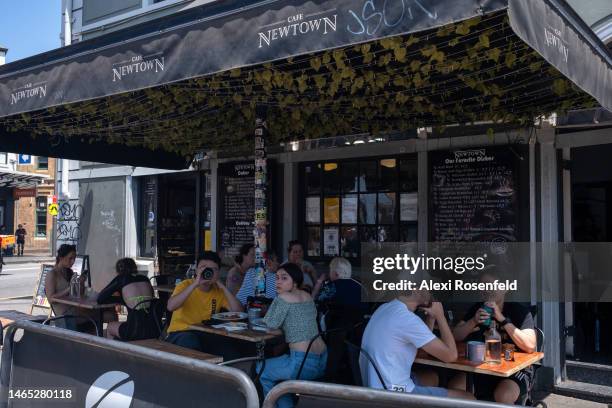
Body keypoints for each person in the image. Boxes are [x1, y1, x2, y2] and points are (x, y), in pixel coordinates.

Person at [360, 290, 474, 399]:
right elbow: (451, 356)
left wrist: (431, 318)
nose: (432, 292)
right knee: (469, 399)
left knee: (432, 377)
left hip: (375, 385)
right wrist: (440, 316)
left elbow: (420, 349)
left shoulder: (385, 308)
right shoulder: (407, 319)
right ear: (416, 290)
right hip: (395, 393)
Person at [450, 270, 537, 404]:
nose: (486, 290)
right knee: (455, 387)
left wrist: (502, 319)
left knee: (504, 395)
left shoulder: (518, 310)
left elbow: (530, 346)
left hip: (514, 370)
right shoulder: (477, 309)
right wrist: (473, 321)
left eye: (491, 285)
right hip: (481, 367)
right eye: (482, 286)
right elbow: (455, 336)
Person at [257, 263, 327, 408]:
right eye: (276, 278)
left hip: (301, 363)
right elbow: (299, 324)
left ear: (295, 282)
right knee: (280, 380)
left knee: (261, 369)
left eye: (284, 278)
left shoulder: (283, 297)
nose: (278, 282)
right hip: (322, 359)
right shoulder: (307, 296)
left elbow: (269, 326)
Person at [165, 251, 243, 351]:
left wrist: (222, 286)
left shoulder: (218, 290)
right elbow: (170, 307)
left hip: (205, 333)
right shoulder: (185, 285)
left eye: (213, 269)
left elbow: (239, 312)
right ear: (197, 270)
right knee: (191, 341)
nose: (208, 272)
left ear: (218, 272)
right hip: (180, 332)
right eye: (204, 268)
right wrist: (195, 284)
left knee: (229, 347)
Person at [97, 258, 159, 341]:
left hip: (134, 331)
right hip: (154, 328)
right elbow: (151, 297)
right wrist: (123, 299)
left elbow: (100, 298)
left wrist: (120, 299)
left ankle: (112, 353)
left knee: (110, 327)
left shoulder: (121, 279)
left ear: (118, 270)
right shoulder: (145, 279)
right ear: (135, 267)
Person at [45, 244, 93, 331]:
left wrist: (81, 283)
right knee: (99, 316)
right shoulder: (52, 274)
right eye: (70, 258)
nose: (73, 261)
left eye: (74, 258)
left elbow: (78, 294)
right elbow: (50, 298)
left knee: (109, 315)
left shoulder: (70, 272)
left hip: (75, 309)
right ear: (61, 258)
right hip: (64, 314)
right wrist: (70, 288)